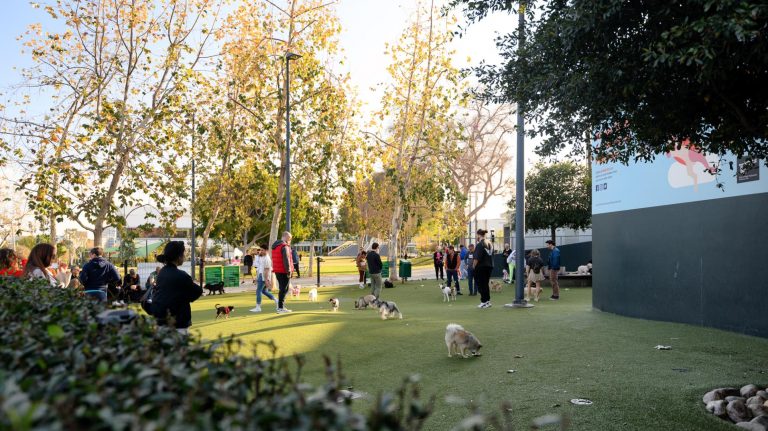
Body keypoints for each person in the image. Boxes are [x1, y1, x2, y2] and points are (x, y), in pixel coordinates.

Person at [151, 241, 202, 335]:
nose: (184, 256)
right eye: (183, 254)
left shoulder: (161, 273)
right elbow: (198, 291)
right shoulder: (182, 275)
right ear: (179, 257)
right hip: (178, 325)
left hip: (161, 322)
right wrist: (185, 298)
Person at [271, 231, 294, 314]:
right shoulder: (284, 246)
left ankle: (281, 306)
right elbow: (286, 259)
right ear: (287, 237)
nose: (290, 240)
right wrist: (289, 271)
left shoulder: (275, 246)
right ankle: (280, 307)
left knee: (283, 288)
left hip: (277, 270)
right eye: (290, 238)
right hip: (284, 270)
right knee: (284, 289)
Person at [250, 245, 276, 312]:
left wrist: (266, 280)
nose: (261, 251)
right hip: (261, 276)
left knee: (258, 291)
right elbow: (259, 268)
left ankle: (258, 307)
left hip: (264, 277)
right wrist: (257, 277)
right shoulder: (262, 257)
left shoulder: (267, 259)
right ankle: (277, 300)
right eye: (260, 250)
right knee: (264, 291)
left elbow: (267, 270)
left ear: (266, 250)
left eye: (262, 250)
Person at [473, 229, 494, 309]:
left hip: (481, 267)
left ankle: (484, 302)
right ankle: (487, 301)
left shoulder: (480, 244)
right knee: (485, 284)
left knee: (481, 285)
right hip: (489, 267)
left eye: (476, 235)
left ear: (478, 235)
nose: (476, 237)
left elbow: (476, 258)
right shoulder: (490, 243)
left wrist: (473, 267)